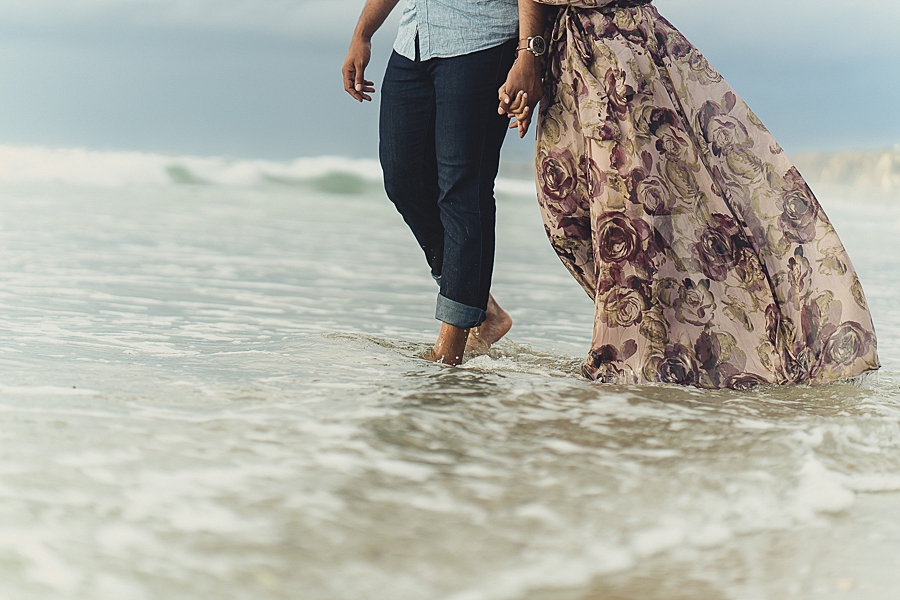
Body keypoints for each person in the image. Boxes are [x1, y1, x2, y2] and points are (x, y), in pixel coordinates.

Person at [500, 0, 880, 388]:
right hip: (564, 55)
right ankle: (667, 349)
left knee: (633, 218)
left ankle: (628, 366)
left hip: (623, 50)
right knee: (566, 217)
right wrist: (531, 53)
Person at [342, 0, 546, 365]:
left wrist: (527, 52)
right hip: (414, 40)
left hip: (483, 39)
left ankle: (448, 354)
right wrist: (363, 34)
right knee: (402, 180)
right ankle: (485, 312)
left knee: (463, 189)